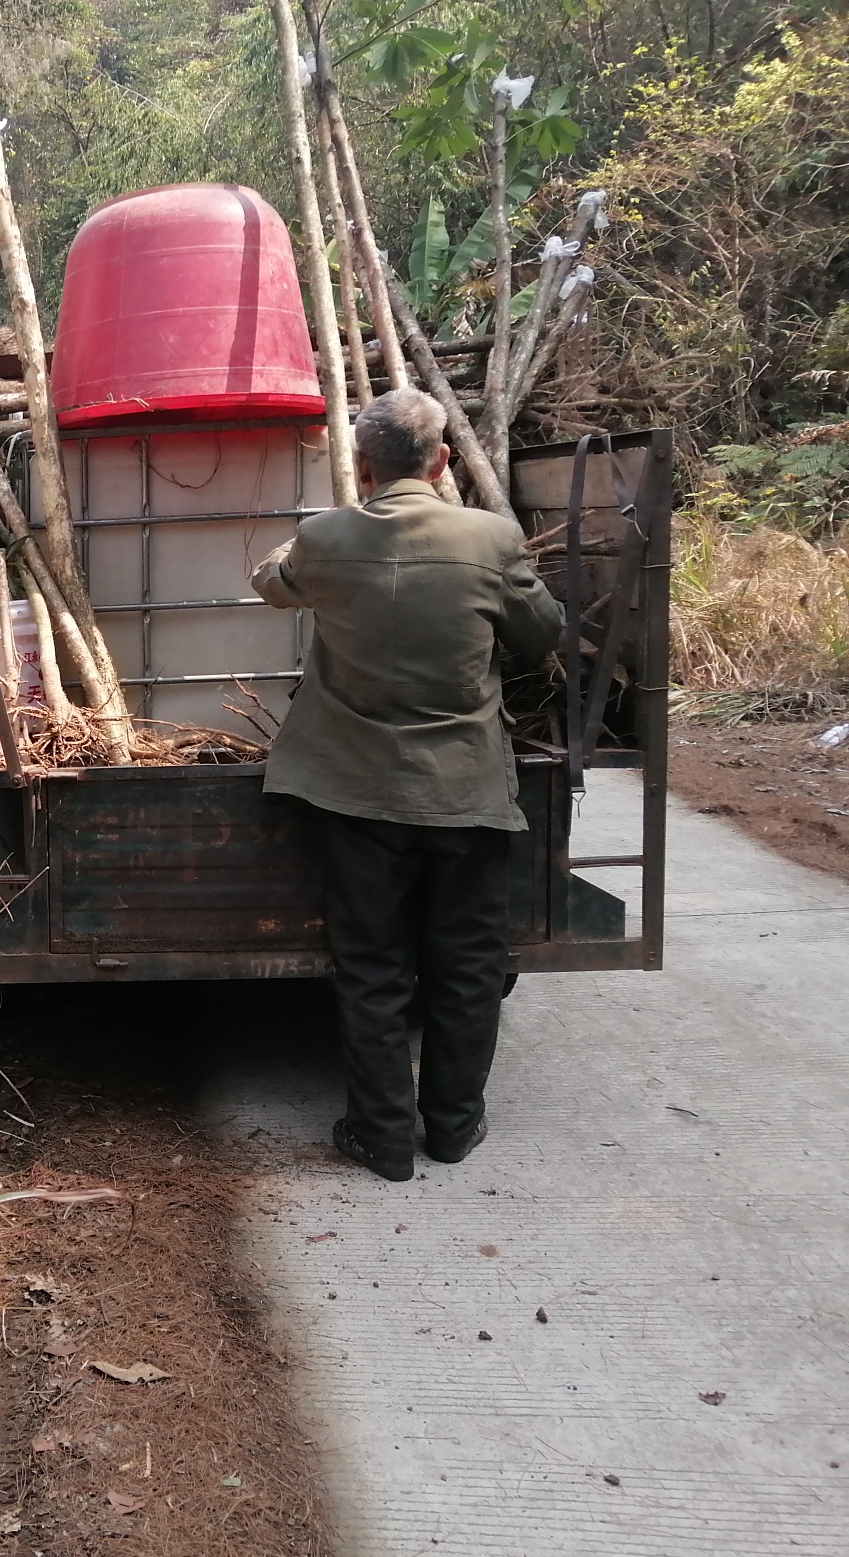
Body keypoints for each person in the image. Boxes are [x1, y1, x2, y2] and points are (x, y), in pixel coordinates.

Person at [250, 389, 563, 1182]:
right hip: (464, 794)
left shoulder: (324, 538)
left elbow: (272, 582)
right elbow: (542, 634)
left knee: (373, 966)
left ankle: (381, 1136)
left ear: (360, 465)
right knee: (466, 968)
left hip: (356, 793)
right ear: (442, 462)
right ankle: (454, 1127)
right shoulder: (491, 539)